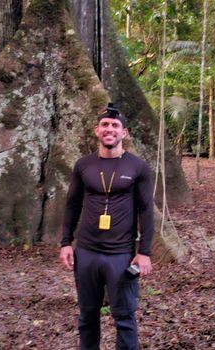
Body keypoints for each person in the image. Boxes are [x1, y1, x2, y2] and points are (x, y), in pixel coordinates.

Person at [59, 103, 154, 350]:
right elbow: (72, 204)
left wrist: (144, 252)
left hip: (120, 255)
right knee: (87, 315)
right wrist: (65, 242)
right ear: (96, 130)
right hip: (87, 252)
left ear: (124, 133)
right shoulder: (83, 165)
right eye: (104, 125)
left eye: (115, 125)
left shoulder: (138, 167)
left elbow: (145, 210)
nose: (109, 129)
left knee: (124, 316)